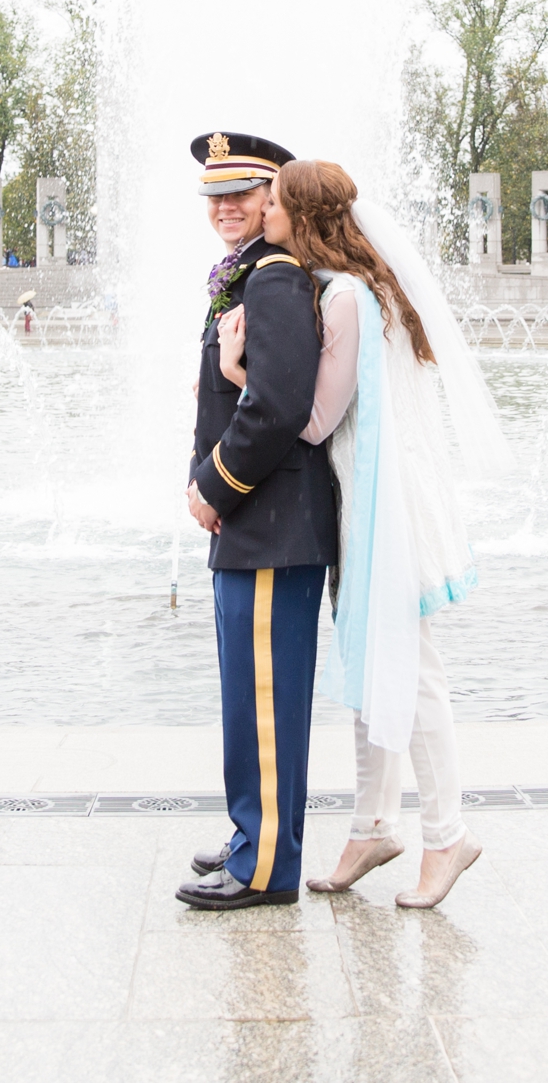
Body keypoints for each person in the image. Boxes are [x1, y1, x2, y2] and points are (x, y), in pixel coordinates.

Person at [215, 158, 510, 910]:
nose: (264, 213)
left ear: (303, 218)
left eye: (275, 203)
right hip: (376, 492)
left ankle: (447, 836)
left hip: (386, 502)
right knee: (379, 660)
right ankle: (372, 825)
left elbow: (312, 420)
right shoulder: (365, 287)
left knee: (411, 668)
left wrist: (235, 364)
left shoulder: (344, 296)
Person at [176, 131, 336, 913]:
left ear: (274, 197)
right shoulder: (250, 276)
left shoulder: (273, 278)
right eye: (215, 195)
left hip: (269, 522)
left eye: (242, 193)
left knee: (265, 704)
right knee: (250, 700)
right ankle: (253, 837)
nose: (226, 207)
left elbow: (277, 408)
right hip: (257, 525)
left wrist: (213, 486)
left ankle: (268, 865)